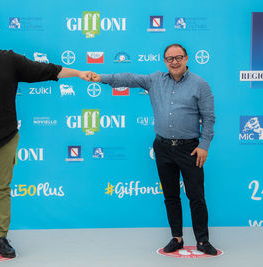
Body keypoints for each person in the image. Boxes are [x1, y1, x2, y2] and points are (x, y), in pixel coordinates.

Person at [0, 17, 93, 261]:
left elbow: (45, 71)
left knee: (1, 190)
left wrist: (78, 73)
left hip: (5, 138)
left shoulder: (8, 60)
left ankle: (1, 238)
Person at [90, 44, 217, 255]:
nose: (174, 62)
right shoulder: (155, 80)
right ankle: (176, 238)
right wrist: (100, 77)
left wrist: (204, 145)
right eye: (169, 58)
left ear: (186, 59)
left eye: (178, 57)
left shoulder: (200, 84)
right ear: (164, 61)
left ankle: (202, 241)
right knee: (170, 196)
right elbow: (127, 78)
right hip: (163, 148)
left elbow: (209, 118)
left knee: (196, 196)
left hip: (190, 150)